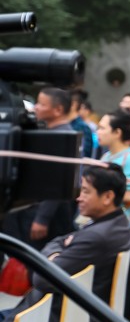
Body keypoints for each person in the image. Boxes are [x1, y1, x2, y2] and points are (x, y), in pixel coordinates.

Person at [0, 165, 130, 322]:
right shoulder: (116, 225)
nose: (79, 197)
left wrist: (56, 252)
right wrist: (57, 251)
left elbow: (40, 279)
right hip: (49, 320)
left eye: (86, 191)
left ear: (107, 197)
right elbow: (57, 241)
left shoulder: (97, 237)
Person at [4, 87, 77, 248]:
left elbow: (56, 182)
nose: (36, 107)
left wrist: (42, 218)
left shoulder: (61, 137)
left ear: (58, 110)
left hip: (49, 215)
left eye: (41, 104)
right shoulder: (51, 133)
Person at [97, 108, 130, 322]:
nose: (98, 132)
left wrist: (104, 195)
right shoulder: (107, 156)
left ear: (117, 132)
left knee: (125, 279)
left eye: (102, 128)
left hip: (126, 226)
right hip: (105, 226)